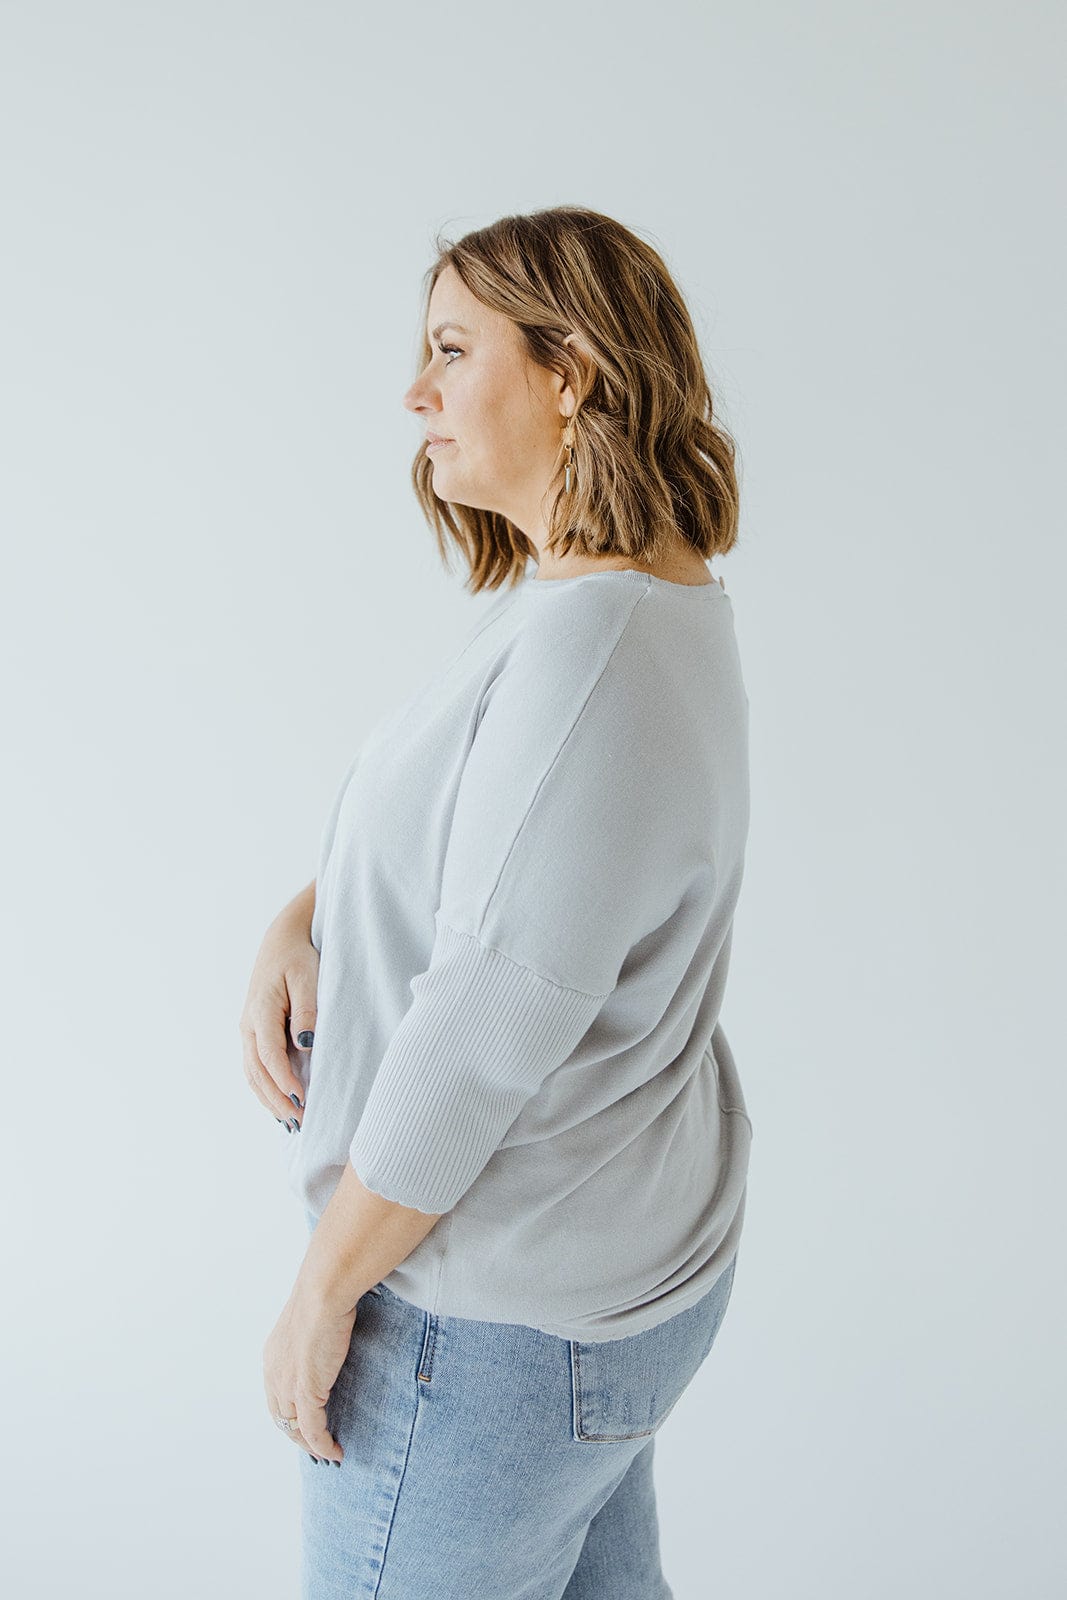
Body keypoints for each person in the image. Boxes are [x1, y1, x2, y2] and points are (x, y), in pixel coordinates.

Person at [239, 204, 752, 1600]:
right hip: (592, 1287)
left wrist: (323, 1291)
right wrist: (309, 918)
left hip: (481, 1328)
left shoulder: (593, 651)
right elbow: (503, 859)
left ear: (572, 369)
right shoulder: (622, 598)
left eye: (453, 350)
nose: (415, 392)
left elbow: (477, 1037)